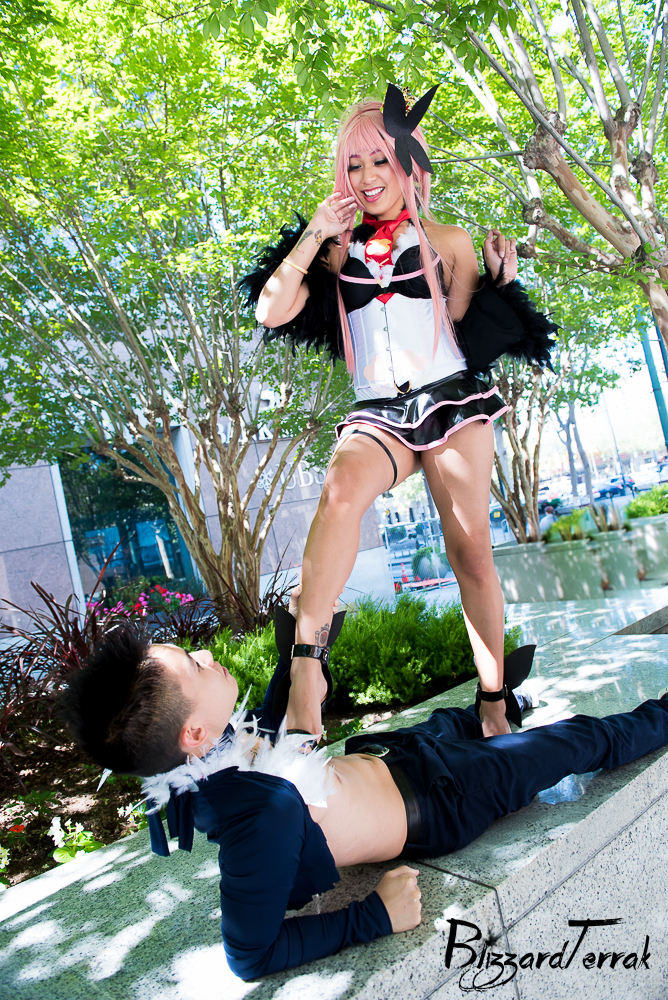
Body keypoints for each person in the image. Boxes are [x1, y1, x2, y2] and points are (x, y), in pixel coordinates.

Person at [61, 610, 668, 981]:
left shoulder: (212, 751)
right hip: (447, 797)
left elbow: (272, 733)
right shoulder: (258, 816)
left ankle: (502, 707)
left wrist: (300, 657)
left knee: (449, 724)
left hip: (395, 756)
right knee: (577, 741)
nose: (206, 655)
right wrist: (375, 915)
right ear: (192, 734)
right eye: (196, 667)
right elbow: (250, 955)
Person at [241, 84, 555, 740]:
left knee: (471, 552)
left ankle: (494, 699)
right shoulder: (335, 249)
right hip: (378, 413)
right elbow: (269, 311)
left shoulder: (450, 240)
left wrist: (503, 282)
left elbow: (467, 338)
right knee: (340, 490)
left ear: (408, 161)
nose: (366, 177)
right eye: (353, 165)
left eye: (379, 160)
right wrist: (314, 236)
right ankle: (307, 673)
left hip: (449, 402)